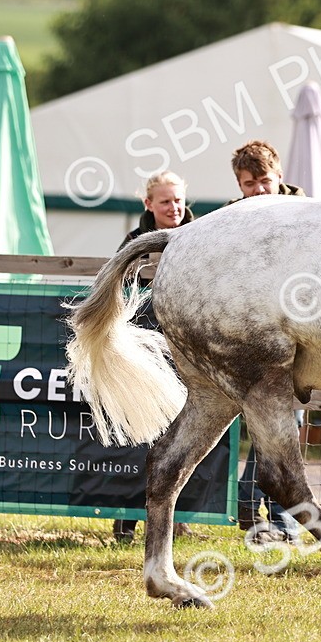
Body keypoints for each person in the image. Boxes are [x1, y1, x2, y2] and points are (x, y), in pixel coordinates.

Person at [226, 141, 303, 543]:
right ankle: (279, 522)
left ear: (279, 177)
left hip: (303, 340)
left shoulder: (306, 213)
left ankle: (247, 503)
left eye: (264, 181)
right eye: (249, 183)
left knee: (282, 431)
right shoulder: (229, 220)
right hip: (254, 343)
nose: (257, 190)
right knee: (275, 432)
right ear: (239, 185)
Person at [112, 171, 195, 544]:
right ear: (148, 205)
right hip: (146, 353)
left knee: (186, 438)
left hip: (191, 354)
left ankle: (181, 518)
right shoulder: (133, 243)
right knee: (142, 437)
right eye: (165, 201)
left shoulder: (203, 233)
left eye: (178, 200)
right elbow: (118, 294)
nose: (174, 207)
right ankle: (127, 518)